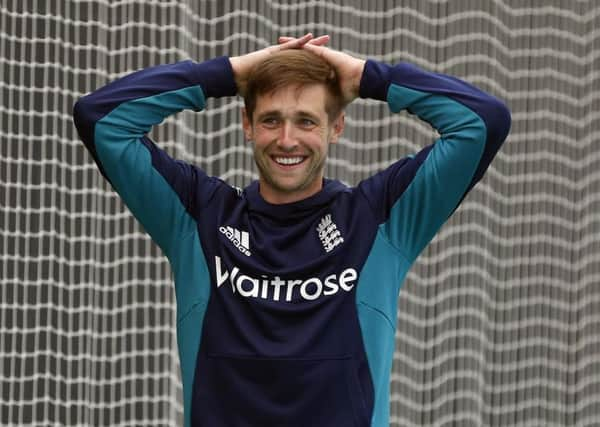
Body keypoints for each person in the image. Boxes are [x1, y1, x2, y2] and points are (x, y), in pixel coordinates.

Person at [73, 33, 511, 427]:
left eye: (306, 121)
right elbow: (101, 117)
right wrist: (229, 74)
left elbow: (482, 120)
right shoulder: (198, 215)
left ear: (335, 128)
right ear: (246, 126)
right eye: (270, 120)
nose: (287, 140)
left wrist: (366, 77)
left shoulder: (381, 216)